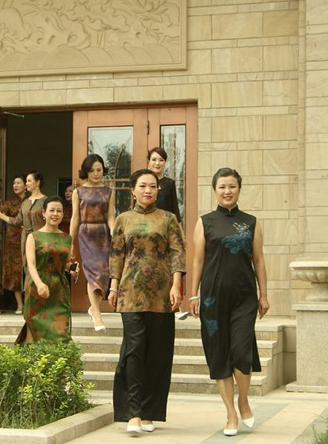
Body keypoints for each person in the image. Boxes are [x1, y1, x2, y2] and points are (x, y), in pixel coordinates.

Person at [188, 167, 270, 437]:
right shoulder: (204, 222)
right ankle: (231, 413)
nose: (227, 191)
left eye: (232, 186)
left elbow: (258, 260)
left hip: (244, 297)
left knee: (241, 352)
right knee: (219, 355)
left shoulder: (251, 222)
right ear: (214, 190)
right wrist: (194, 294)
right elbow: (198, 261)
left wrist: (264, 294)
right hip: (212, 298)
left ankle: (243, 400)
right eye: (222, 186)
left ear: (239, 189)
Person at [108, 168, 185, 434]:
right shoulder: (123, 219)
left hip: (162, 295)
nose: (148, 190)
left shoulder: (168, 218)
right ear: (133, 190)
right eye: (142, 186)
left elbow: (177, 252)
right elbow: (116, 255)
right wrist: (113, 287)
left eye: (152, 186)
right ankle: (133, 413)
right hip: (130, 293)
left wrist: (177, 284)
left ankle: (150, 412)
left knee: (158, 353)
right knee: (134, 350)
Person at [17, 196, 77, 343]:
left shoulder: (67, 238)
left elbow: (66, 263)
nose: (55, 214)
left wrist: (73, 269)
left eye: (59, 211)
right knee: (35, 330)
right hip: (37, 288)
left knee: (61, 333)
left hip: (59, 290)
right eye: (52, 210)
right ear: (44, 213)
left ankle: (61, 358)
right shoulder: (33, 237)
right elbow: (31, 264)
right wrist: (39, 284)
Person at [69, 154, 114, 331]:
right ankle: (97, 314)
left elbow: (111, 217)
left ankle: (93, 308)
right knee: (92, 273)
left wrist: (114, 233)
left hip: (103, 234)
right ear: (86, 172)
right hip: (86, 233)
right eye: (92, 170)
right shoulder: (78, 192)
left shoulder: (109, 191)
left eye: (99, 170)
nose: (96, 173)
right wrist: (70, 241)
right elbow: (75, 218)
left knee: (104, 273)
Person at [147, 147, 188, 319]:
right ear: (148, 161)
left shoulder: (169, 183)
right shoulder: (143, 181)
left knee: (172, 265)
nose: (157, 163)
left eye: (161, 160)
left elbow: (175, 210)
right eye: (154, 159)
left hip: (167, 230)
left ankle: (176, 306)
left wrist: (181, 234)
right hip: (148, 231)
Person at [0, 171, 47, 271]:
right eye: (26, 181)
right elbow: (16, 220)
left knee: (40, 266)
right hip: (22, 238)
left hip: (40, 238)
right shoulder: (25, 203)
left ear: (37, 182)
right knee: (25, 266)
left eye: (29, 181)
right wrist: (0, 215)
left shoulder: (45, 201)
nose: (27, 183)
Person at [0, 174, 27, 314]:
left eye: (18, 183)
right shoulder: (10, 202)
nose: (15, 185)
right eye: (14, 183)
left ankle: (30, 302)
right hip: (13, 241)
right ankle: (19, 304)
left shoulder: (30, 200)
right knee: (15, 272)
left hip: (28, 237)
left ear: (26, 185)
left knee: (29, 270)